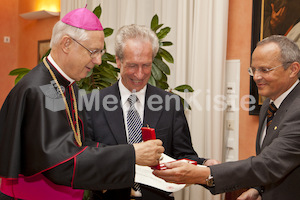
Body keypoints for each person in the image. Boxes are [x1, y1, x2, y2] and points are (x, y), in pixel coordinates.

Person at [0, 8, 164, 200]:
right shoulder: (41, 89)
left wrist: (127, 153)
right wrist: (131, 154)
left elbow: (75, 144)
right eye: (93, 52)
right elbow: (61, 162)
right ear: (67, 43)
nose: (98, 61)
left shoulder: (61, 84)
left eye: (100, 52)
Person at [153, 35, 300, 200]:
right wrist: (258, 190)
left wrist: (205, 174)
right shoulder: (269, 105)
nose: (256, 77)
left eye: (265, 69)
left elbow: (270, 163)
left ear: (293, 69)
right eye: (253, 69)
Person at [85, 24, 219, 200]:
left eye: (146, 65)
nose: (140, 75)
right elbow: (85, 158)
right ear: (118, 61)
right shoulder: (92, 104)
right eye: (133, 65)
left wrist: (205, 165)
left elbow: (183, 155)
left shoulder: (170, 104)